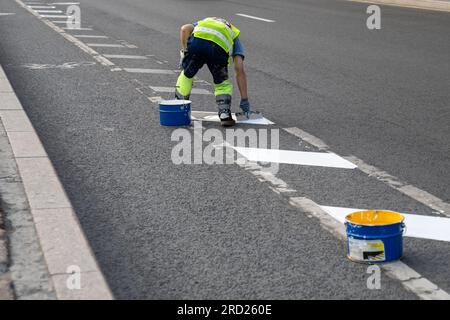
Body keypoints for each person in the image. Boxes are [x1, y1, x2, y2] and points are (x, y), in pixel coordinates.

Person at [175, 17, 250, 127]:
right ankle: (224, 114)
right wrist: (244, 100)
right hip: (218, 49)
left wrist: (185, 52)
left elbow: (184, 29)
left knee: (187, 75)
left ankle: (178, 108)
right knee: (222, 83)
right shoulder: (233, 32)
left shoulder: (203, 22)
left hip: (197, 44)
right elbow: (239, 69)